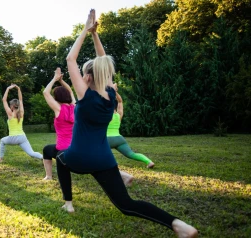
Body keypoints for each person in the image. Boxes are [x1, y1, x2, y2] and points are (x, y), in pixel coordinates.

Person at [55, 9, 197, 237]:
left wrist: (84, 29)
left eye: (83, 75)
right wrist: (95, 34)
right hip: (104, 159)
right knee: (126, 204)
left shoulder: (85, 96)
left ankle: (68, 203)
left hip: (79, 157)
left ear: (88, 78)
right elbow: (104, 64)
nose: (81, 78)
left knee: (61, 159)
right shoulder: (110, 94)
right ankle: (178, 225)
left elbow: (71, 58)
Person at [42, 68, 134, 185]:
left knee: (48, 151)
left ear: (56, 98)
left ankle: (49, 176)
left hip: (64, 149)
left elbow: (45, 92)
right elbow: (70, 92)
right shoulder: (75, 107)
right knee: (90, 163)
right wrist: (62, 82)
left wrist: (55, 79)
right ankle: (122, 174)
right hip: (78, 146)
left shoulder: (59, 109)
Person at [107, 85, 155, 168]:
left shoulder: (105, 115)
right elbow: (120, 102)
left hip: (107, 139)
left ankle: (111, 165)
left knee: (95, 152)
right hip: (119, 139)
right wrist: (115, 92)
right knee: (131, 154)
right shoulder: (119, 115)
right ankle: (149, 162)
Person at [0, 84, 43, 163]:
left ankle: (1, 159)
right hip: (22, 137)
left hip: (12, 138)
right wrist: (18, 89)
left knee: (2, 141)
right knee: (31, 153)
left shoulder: (10, 114)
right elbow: (20, 100)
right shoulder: (21, 113)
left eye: (10, 105)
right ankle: (44, 158)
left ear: (12, 106)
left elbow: (4, 100)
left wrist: (8, 88)